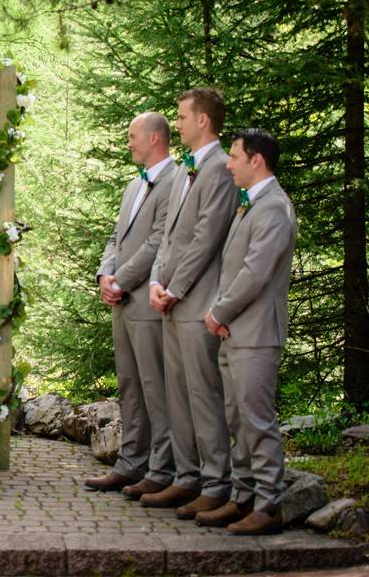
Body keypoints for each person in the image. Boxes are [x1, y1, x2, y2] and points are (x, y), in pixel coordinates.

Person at [198, 129, 296, 535]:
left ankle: (269, 504)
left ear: (257, 160)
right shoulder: (249, 205)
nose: (228, 162)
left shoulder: (274, 207)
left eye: (235, 156)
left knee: (257, 420)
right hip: (234, 331)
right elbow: (231, 265)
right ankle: (242, 497)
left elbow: (255, 273)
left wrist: (219, 310)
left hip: (256, 333)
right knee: (236, 418)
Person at [145, 88, 237, 518]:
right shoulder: (183, 171)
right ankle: (185, 478)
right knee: (176, 392)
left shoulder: (220, 168)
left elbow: (206, 238)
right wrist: (156, 281)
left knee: (202, 393)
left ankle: (216, 481)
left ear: (203, 121)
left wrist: (176, 287)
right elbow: (168, 237)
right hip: (170, 298)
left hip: (196, 299)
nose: (176, 123)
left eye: (182, 117)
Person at [86, 113, 177, 497]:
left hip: (144, 301)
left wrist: (122, 281)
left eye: (133, 137)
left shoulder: (175, 182)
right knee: (129, 385)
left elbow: (157, 242)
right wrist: (105, 276)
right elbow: (116, 238)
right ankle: (130, 462)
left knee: (155, 386)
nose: (129, 143)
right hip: (121, 301)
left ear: (155, 138)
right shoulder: (133, 186)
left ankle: (162, 468)